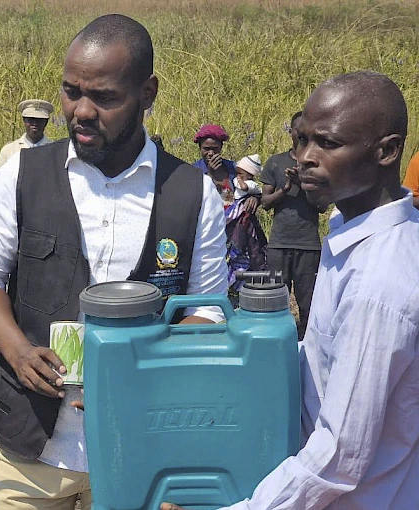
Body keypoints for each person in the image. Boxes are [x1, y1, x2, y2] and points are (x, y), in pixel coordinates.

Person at [0, 14, 228, 510]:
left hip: (145, 454)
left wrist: (134, 375)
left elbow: (209, 310)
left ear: (147, 93)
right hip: (30, 453)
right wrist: (19, 352)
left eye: (104, 97)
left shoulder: (192, 194)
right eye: (71, 91)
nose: (81, 110)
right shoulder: (22, 175)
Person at [163, 71, 419, 510]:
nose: (304, 158)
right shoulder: (352, 238)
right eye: (302, 140)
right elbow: (320, 365)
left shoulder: (377, 283)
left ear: (386, 151)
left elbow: (340, 456)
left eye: (328, 144)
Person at [259, 111, 321, 340]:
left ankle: (307, 348)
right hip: (279, 243)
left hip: (308, 245)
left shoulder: (316, 164)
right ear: (291, 132)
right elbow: (264, 203)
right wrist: (285, 188)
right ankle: (277, 344)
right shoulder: (276, 162)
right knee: (276, 301)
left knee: (308, 303)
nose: (303, 135)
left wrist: (303, 184)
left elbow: (322, 206)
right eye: (299, 130)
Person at [226, 154, 266, 292]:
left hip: (240, 214)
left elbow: (244, 188)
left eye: (240, 173)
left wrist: (238, 180)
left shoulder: (248, 184)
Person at [0, 99, 54, 172]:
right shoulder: (9, 150)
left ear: (46, 122)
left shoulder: (55, 151)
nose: (34, 123)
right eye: (30, 119)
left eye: (39, 120)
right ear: (24, 120)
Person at [193, 123, 236, 207]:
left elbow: (247, 189)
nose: (211, 153)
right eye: (206, 149)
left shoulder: (232, 168)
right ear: (200, 148)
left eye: (215, 149)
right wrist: (210, 174)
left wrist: (253, 198)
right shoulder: (194, 170)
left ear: (221, 147)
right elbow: (195, 198)